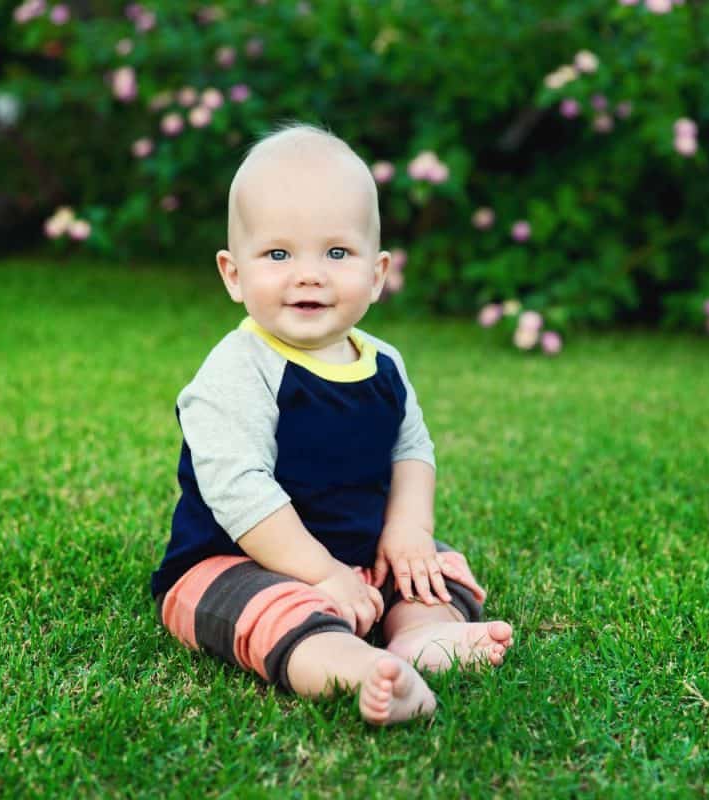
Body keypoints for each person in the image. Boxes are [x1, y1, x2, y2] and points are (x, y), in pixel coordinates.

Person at [149, 122, 513, 725]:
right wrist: (321, 575)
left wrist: (407, 534)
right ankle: (353, 667)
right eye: (278, 254)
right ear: (233, 273)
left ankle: (421, 638)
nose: (310, 273)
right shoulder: (239, 370)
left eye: (337, 253)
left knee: (431, 574)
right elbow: (240, 489)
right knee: (277, 612)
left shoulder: (384, 364)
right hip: (236, 561)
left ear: (377, 273)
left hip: (358, 554)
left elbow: (411, 451)